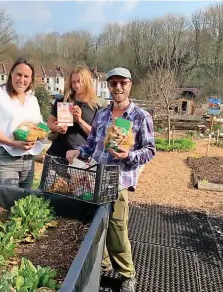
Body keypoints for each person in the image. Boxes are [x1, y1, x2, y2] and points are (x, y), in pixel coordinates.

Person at [66, 67, 156, 292]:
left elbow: (150, 150)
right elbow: (91, 144)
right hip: (95, 176)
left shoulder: (140, 116)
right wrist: (78, 152)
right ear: (108, 86)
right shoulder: (102, 114)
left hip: (118, 180)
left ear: (130, 84)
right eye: (113, 83)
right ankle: (104, 266)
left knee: (117, 229)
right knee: (97, 225)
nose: (118, 88)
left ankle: (127, 274)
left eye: (122, 83)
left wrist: (129, 155)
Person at [0, 58, 43, 189]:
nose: (22, 80)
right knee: (10, 200)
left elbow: (39, 126)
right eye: (18, 74)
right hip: (4, 156)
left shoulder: (32, 99)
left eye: (26, 76)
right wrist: (14, 143)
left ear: (31, 79)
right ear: (11, 74)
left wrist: (51, 128)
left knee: (25, 201)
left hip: (28, 158)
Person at [46, 65, 100, 158]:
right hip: (57, 155)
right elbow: (50, 123)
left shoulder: (96, 108)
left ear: (87, 82)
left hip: (80, 158)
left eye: (80, 81)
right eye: (73, 82)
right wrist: (58, 128)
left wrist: (79, 120)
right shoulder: (63, 101)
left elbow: (96, 135)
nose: (76, 85)